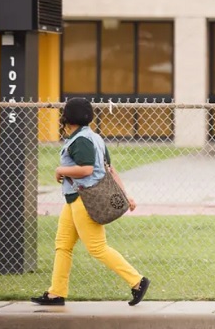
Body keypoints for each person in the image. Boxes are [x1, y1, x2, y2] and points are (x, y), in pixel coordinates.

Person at [31, 97, 150, 306]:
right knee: (63, 245)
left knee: (97, 248)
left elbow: (86, 169)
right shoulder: (94, 137)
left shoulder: (81, 141)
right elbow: (109, 169)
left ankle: (137, 281)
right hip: (74, 200)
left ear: (68, 117)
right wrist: (125, 194)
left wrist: (61, 170)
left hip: (84, 200)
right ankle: (56, 293)